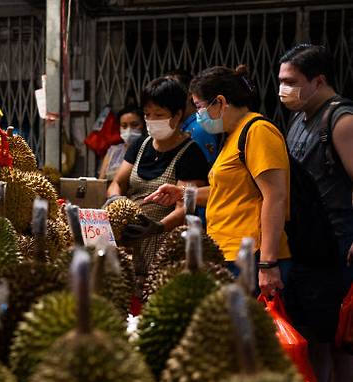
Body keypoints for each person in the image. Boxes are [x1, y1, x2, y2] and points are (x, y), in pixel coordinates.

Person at [144, 65, 292, 295]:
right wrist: (182, 193)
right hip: (227, 251)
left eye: (200, 107)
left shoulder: (258, 131)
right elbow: (227, 192)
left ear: (220, 102)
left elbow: (275, 197)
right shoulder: (232, 135)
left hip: (251, 254)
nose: (197, 115)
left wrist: (267, 262)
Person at [278, 44, 353, 382]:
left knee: (339, 335)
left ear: (318, 80)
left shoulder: (341, 120)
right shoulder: (300, 118)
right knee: (316, 334)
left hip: (339, 244)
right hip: (309, 243)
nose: (283, 89)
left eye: (290, 81)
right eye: (280, 81)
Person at [105, 77, 210, 272]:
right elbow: (117, 182)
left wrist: (157, 227)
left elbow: (184, 208)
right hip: (129, 240)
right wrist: (115, 200)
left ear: (177, 115)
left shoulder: (190, 154)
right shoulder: (140, 145)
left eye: (159, 114)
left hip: (165, 245)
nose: (152, 120)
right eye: (147, 114)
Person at [165, 69, 221, 164]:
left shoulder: (199, 128)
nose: (165, 99)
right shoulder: (180, 126)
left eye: (172, 93)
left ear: (189, 95)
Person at [99, 106, 145, 180]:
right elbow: (101, 179)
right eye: (124, 126)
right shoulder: (113, 151)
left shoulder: (148, 149)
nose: (129, 130)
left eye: (135, 125)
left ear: (144, 125)